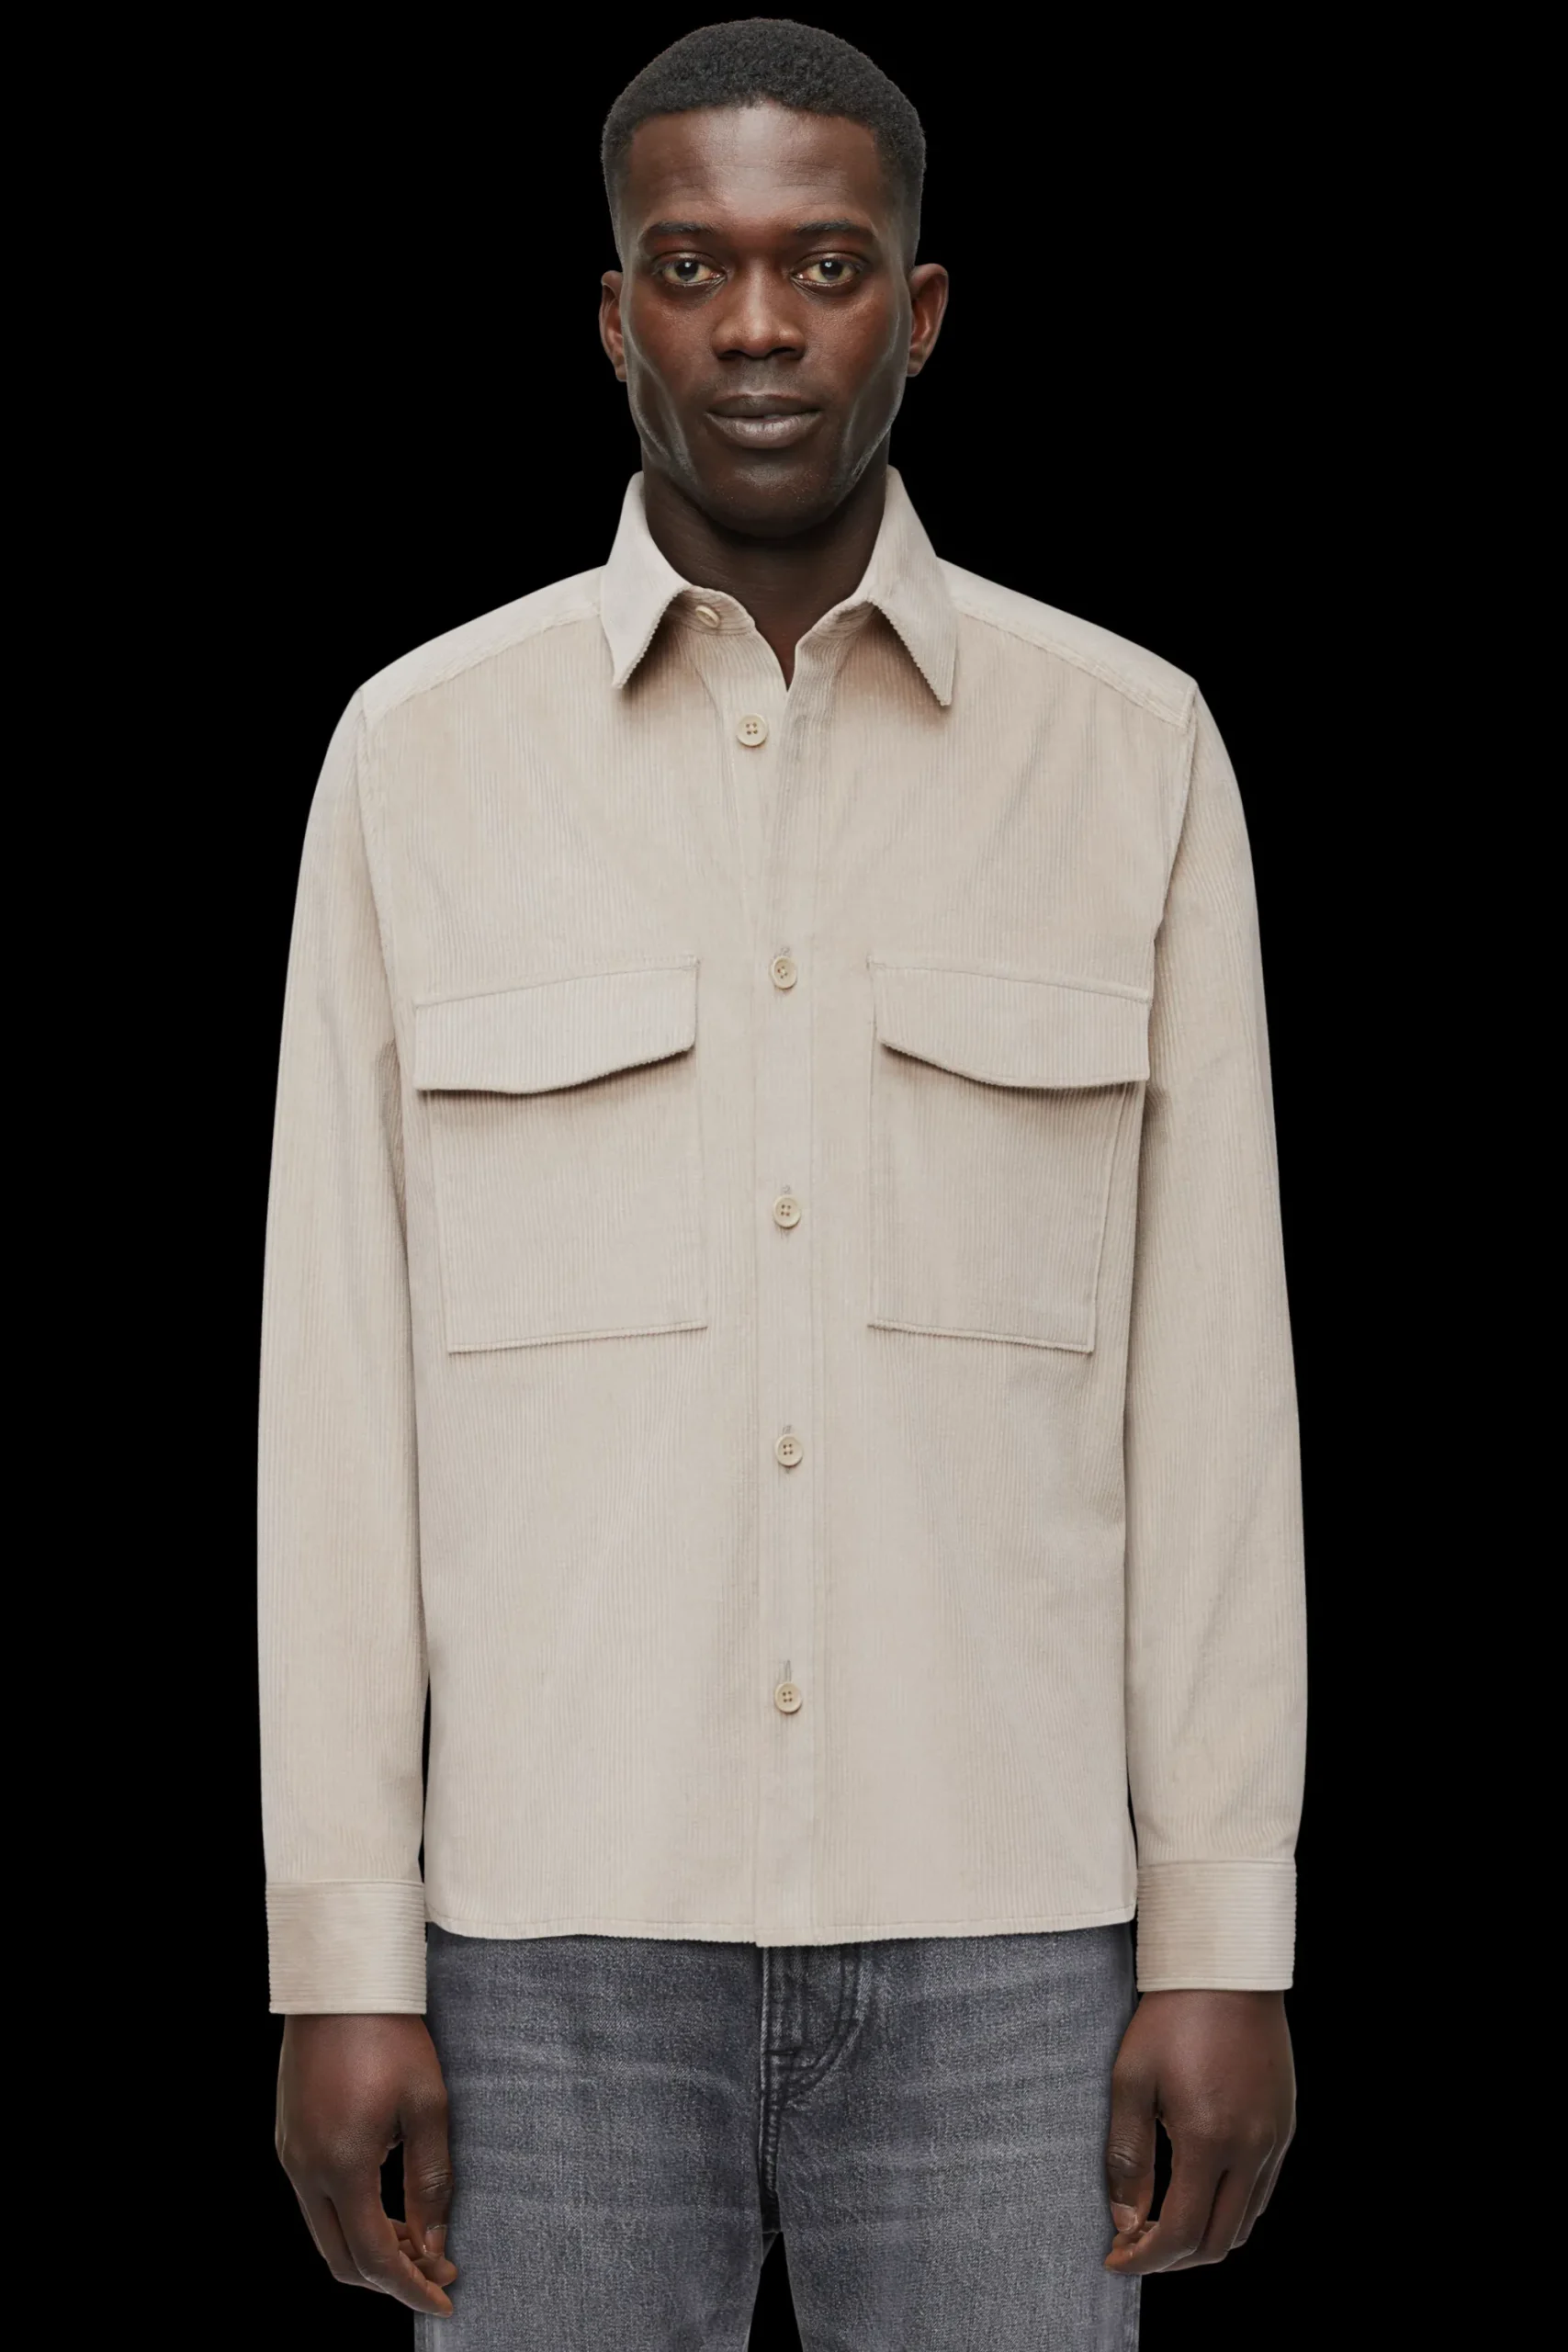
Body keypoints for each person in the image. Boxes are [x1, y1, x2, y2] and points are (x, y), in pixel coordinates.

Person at [260, 18, 1305, 2348]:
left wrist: (1224, 1933)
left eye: (823, 266)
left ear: (916, 310)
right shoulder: (419, 761)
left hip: (1016, 1940)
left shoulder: (1128, 752)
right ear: (611, 312)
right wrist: (340, 1950)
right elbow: (333, 1399)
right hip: (538, 1944)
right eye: (691, 265)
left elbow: (1213, 1392)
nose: (755, 325)